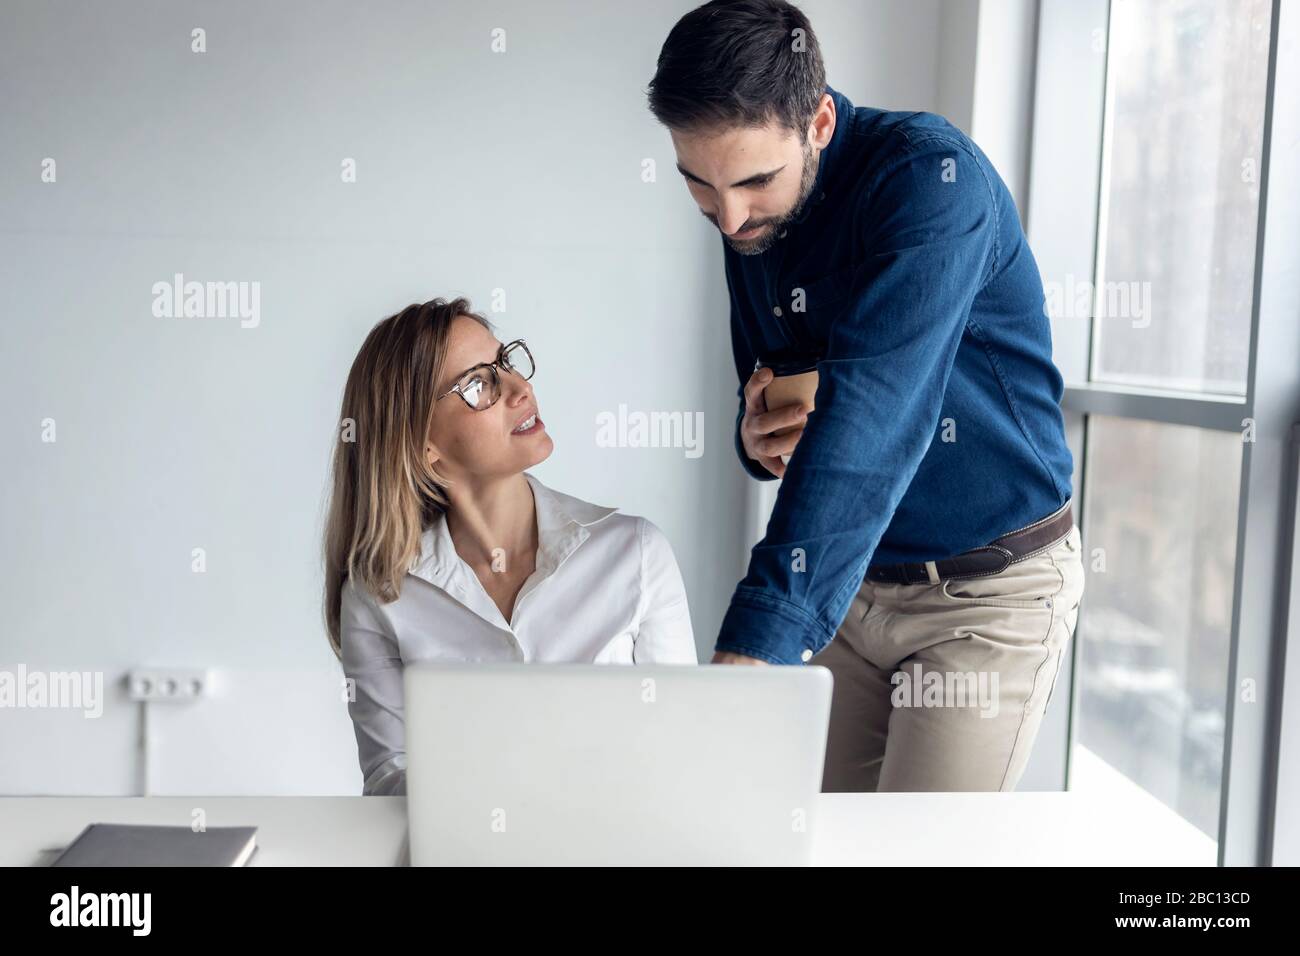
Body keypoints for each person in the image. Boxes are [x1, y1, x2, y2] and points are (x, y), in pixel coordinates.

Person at [647, 0, 1085, 791]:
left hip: (984, 597)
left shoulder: (931, 183)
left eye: (754, 182)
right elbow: (774, 383)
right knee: (813, 840)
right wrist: (757, 438)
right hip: (852, 584)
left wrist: (756, 644)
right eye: (700, 189)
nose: (731, 217)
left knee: (916, 853)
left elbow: (869, 423)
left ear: (817, 122)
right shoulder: (746, 216)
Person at [322, 297, 697, 795]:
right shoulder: (378, 595)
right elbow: (390, 782)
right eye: (479, 384)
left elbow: (685, 755)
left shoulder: (636, 553)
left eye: (506, 362)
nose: (520, 389)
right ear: (422, 447)